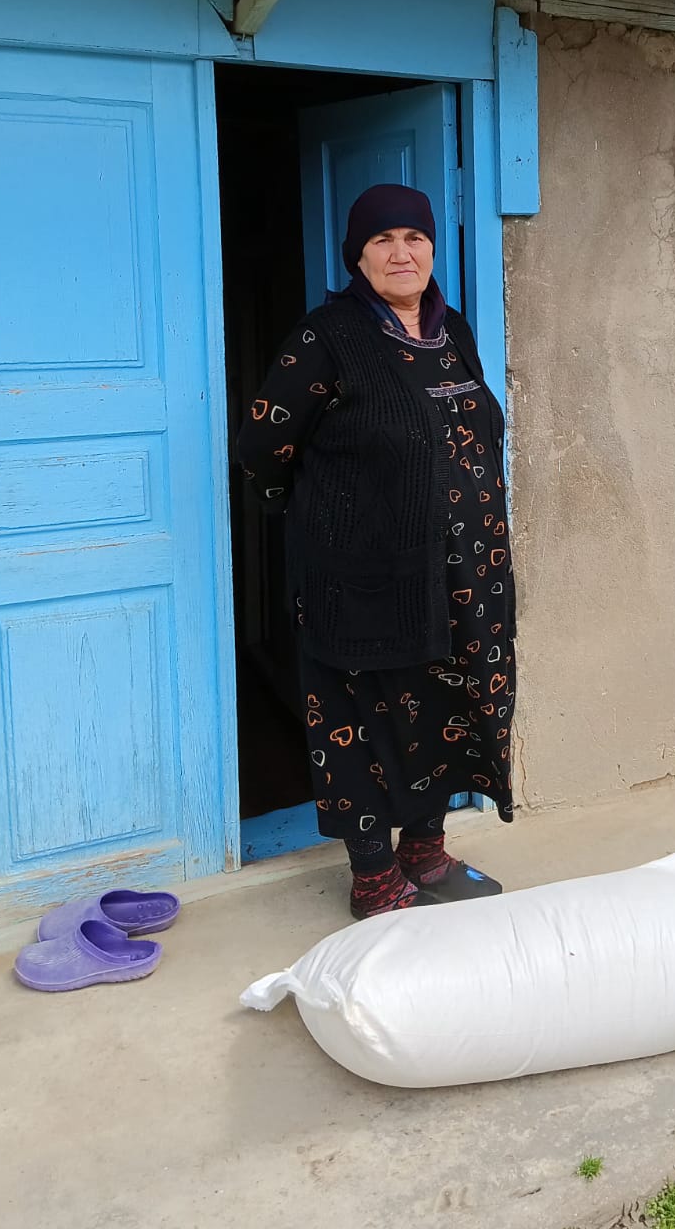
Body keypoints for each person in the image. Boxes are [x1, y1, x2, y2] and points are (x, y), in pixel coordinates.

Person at [237, 184, 513, 918]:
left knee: (443, 705)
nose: (401, 253)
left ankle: (424, 851)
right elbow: (263, 446)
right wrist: (325, 516)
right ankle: (374, 878)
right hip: (361, 573)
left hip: (465, 573)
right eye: (382, 240)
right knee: (359, 716)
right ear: (357, 257)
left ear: (432, 249)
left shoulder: (452, 330)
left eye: (415, 238)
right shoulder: (326, 338)